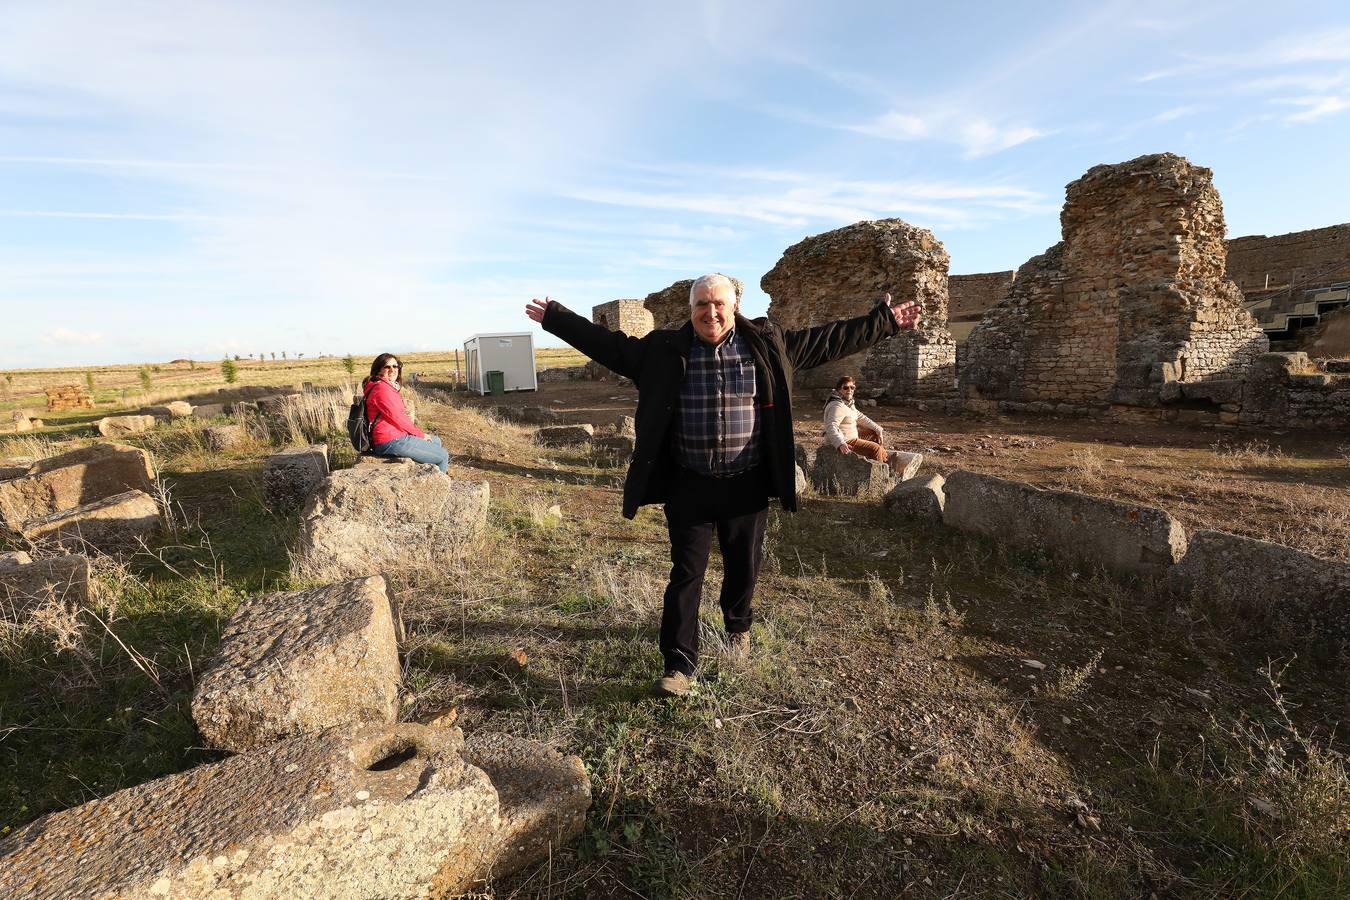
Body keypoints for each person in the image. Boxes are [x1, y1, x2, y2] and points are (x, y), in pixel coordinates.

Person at [525, 274, 919, 696]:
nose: (710, 312)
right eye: (702, 305)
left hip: (746, 484)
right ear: (690, 309)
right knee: (686, 573)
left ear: (734, 308)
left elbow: (829, 340)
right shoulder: (663, 350)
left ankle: (738, 626)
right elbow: (609, 344)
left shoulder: (768, 344)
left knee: (743, 566)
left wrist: (885, 322)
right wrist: (557, 318)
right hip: (687, 484)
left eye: (719, 304)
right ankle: (678, 665)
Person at [362, 353, 450, 474]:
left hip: (395, 434)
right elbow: (398, 418)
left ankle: (429, 476)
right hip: (389, 440)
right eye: (387, 367)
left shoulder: (386, 386)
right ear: (379, 370)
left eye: (395, 366)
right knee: (443, 456)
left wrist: (419, 435)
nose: (392, 370)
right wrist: (421, 435)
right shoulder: (381, 389)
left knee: (436, 441)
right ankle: (439, 488)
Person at [823, 375, 909, 475]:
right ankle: (880, 475)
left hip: (849, 436)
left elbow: (860, 416)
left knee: (873, 432)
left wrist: (878, 429)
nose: (849, 390)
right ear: (839, 390)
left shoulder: (847, 403)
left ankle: (882, 459)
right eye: (845, 387)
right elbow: (831, 426)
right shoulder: (837, 406)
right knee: (875, 448)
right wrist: (840, 443)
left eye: (852, 387)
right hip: (845, 440)